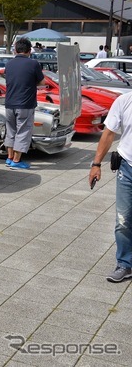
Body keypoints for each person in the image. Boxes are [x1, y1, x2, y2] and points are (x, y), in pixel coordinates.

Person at [89, 90, 132, 282]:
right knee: (123, 220)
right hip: (127, 167)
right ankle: (125, 264)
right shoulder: (124, 101)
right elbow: (108, 133)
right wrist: (96, 164)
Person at [3, 37, 44, 169]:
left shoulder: (8, 64)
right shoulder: (33, 64)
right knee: (23, 131)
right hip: (25, 103)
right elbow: (42, 83)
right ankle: (16, 160)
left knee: (10, 131)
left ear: (15, 50)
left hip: (9, 103)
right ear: (29, 50)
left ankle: (9, 158)